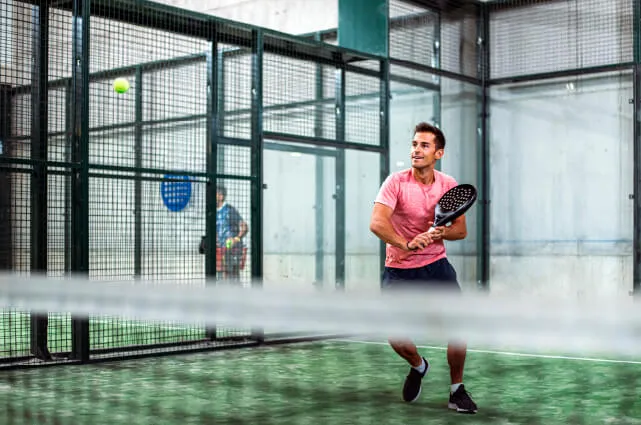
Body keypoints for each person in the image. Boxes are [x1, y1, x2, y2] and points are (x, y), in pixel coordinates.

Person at [369, 122, 477, 414]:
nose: (417, 150)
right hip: (399, 269)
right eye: (415, 144)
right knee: (396, 336)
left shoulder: (448, 184)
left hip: (435, 267)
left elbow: (460, 231)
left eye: (424, 145)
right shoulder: (396, 182)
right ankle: (418, 365)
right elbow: (377, 223)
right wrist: (406, 243)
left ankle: (457, 391)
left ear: (438, 153)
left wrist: (441, 233)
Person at [199, 184, 248, 280]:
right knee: (224, 276)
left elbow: (244, 227)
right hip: (221, 249)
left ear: (221, 196)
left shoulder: (230, 210)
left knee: (231, 276)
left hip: (232, 249)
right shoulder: (214, 212)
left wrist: (236, 239)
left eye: (215, 195)